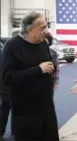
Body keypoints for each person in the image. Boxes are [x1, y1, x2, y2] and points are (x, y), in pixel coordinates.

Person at [0, 11, 59, 141]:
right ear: (30, 29)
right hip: (26, 112)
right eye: (42, 27)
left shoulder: (43, 43)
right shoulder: (12, 46)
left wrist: (51, 69)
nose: (46, 30)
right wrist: (38, 70)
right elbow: (7, 77)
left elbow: (48, 65)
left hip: (47, 107)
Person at [0, 41, 14, 140]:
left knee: (6, 108)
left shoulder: (4, 52)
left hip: (6, 85)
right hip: (6, 86)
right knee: (6, 108)